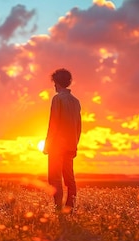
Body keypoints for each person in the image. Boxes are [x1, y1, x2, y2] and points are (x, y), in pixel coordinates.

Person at [42, 68, 82, 213]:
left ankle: (58, 208)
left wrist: (47, 145)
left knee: (54, 178)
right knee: (69, 178)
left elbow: (53, 124)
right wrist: (75, 145)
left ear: (56, 83)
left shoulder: (57, 99)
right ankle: (70, 207)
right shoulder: (76, 102)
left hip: (57, 146)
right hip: (71, 145)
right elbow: (79, 127)